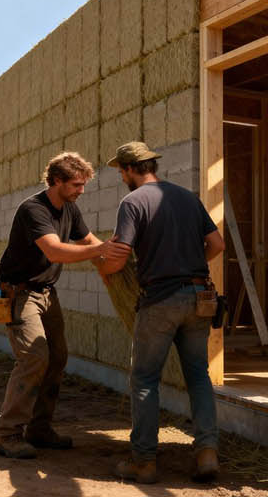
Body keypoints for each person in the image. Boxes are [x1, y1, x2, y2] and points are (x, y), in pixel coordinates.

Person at [0, 152, 131, 459]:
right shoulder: (33, 209)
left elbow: (88, 242)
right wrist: (101, 249)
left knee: (57, 358)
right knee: (33, 357)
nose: (82, 191)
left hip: (46, 293)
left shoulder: (70, 208)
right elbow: (55, 251)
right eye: (76, 185)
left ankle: (39, 429)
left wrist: (110, 266)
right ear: (56, 181)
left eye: (83, 185)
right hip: (19, 293)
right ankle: (8, 435)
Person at [101, 141, 225, 485]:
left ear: (129, 169)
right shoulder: (187, 197)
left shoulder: (132, 202)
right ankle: (206, 453)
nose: (121, 177)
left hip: (160, 299)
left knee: (144, 379)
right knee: (198, 375)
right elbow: (217, 245)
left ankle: (143, 461)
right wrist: (190, 264)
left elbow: (121, 253)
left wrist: (105, 264)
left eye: (121, 171)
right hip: (200, 296)